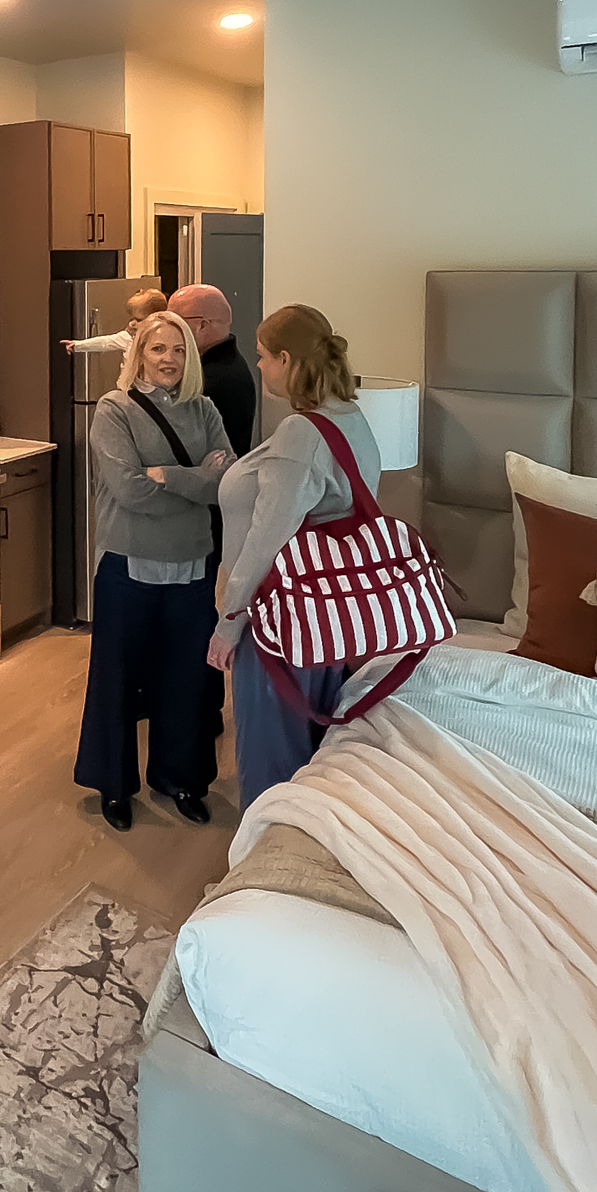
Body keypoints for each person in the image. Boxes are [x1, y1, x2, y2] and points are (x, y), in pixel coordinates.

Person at [207, 304, 382, 808]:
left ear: (286, 359)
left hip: (279, 620)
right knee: (308, 751)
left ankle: (260, 871)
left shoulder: (301, 434)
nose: (257, 365)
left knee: (271, 759)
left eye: (263, 356)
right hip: (322, 612)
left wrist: (228, 623)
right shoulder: (348, 416)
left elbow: (267, 539)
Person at [73, 310, 232, 830]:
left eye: (179, 350)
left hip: (192, 565)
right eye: (158, 349)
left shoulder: (204, 409)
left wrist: (166, 475)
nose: (169, 360)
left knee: (187, 679)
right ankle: (115, 787)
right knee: (117, 680)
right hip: (128, 564)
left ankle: (180, 778)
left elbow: (224, 486)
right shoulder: (113, 410)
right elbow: (130, 491)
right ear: (139, 352)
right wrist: (192, 481)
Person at [168, 283, 258, 458]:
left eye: (174, 321)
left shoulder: (217, 379)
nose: (167, 329)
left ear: (202, 325)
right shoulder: (221, 365)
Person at [64, 285, 166, 357]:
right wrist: (78, 345)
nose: (133, 323)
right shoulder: (131, 336)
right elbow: (107, 342)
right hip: (128, 386)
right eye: (132, 318)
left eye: (139, 319)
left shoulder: (166, 339)